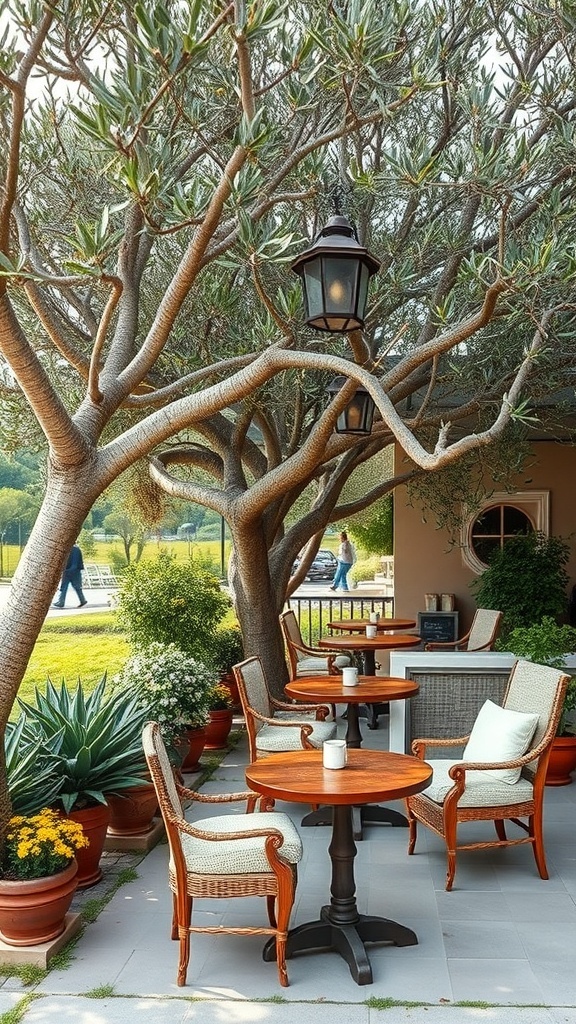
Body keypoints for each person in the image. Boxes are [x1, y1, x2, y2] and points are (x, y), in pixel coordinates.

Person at [53, 543, 87, 608]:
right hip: (73, 570)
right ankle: (82, 600)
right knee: (75, 587)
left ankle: (61, 601)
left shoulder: (74, 550)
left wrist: (68, 570)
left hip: (71, 571)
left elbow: (74, 562)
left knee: (66, 586)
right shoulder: (75, 549)